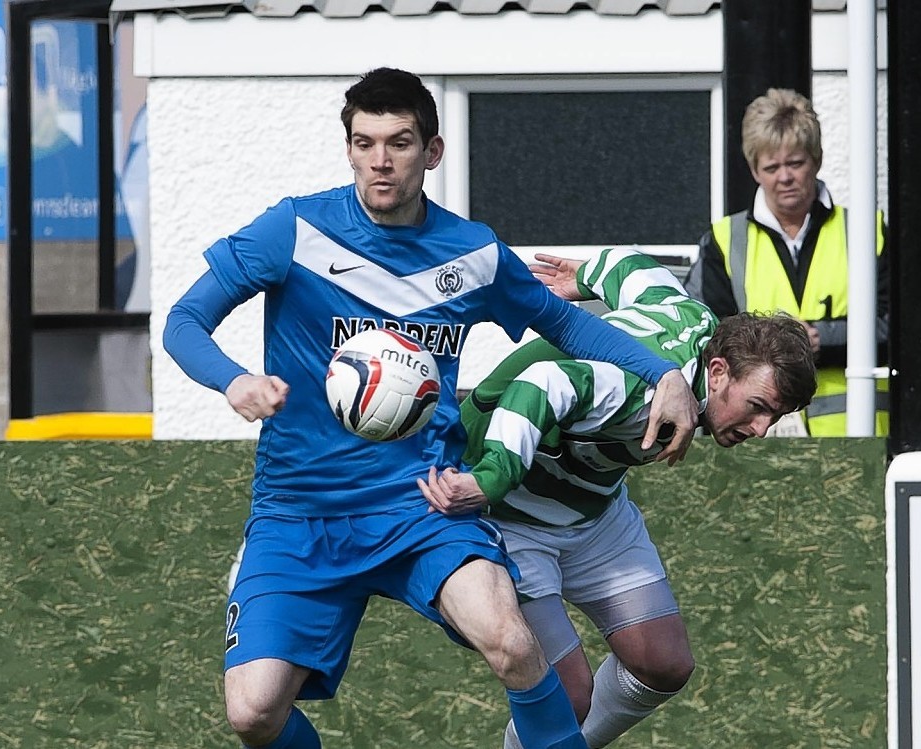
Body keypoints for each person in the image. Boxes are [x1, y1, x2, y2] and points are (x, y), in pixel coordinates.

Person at [163, 68, 702, 749]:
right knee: (253, 712)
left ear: (433, 151)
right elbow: (184, 320)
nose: (379, 160)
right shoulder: (294, 229)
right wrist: (233, 379)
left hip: (421, 502)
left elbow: (566, 326)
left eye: (399, 142)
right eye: (364, 142)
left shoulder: (472, 252)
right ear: (349, 147)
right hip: (299, 511)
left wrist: (663, 376)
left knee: (511, 638)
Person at [418, 248, 818, 748]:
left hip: (594, 509)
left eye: (773, 417)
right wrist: (492, 479)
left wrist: (581, 277)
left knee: (665, 664)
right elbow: (542, 384)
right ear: (718, 372)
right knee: (569, 697)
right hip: (510, 515)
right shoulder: (644, 392)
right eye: (758, 407)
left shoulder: (696, 318)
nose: (760, 430)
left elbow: (637, 270)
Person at [684, 87, 889, 436]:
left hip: (855, 442)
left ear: (817, 160)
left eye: (796, 163)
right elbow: (702, 334)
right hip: (754, 443)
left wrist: (822, 339)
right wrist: (781, 348)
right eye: (771, 167)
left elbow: (899, 328)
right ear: (754, 170)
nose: (784, 177)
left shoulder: (867, 231)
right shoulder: (724, 239)